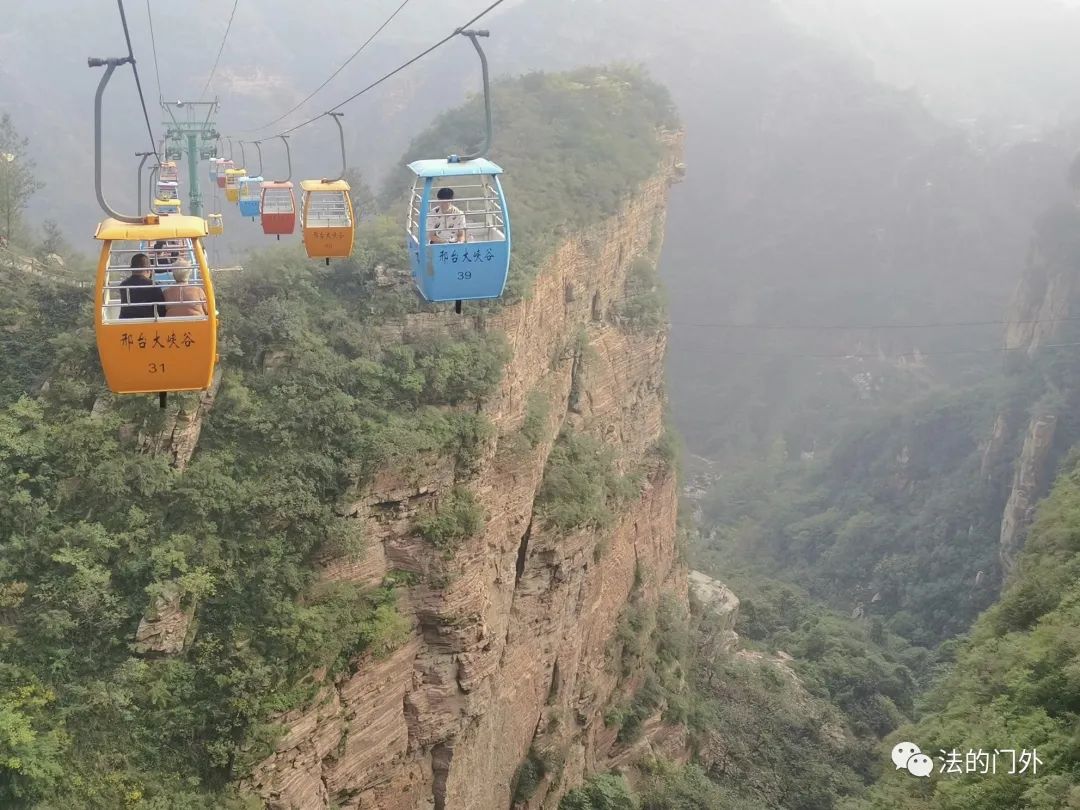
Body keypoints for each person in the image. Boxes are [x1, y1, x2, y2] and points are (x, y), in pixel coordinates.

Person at [119, 253, 165, 319]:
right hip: (147, 325)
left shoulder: (123, 285)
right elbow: (162, 312)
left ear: (132, 269)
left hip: (125, 325)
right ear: (148, 269)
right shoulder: (154, 286)